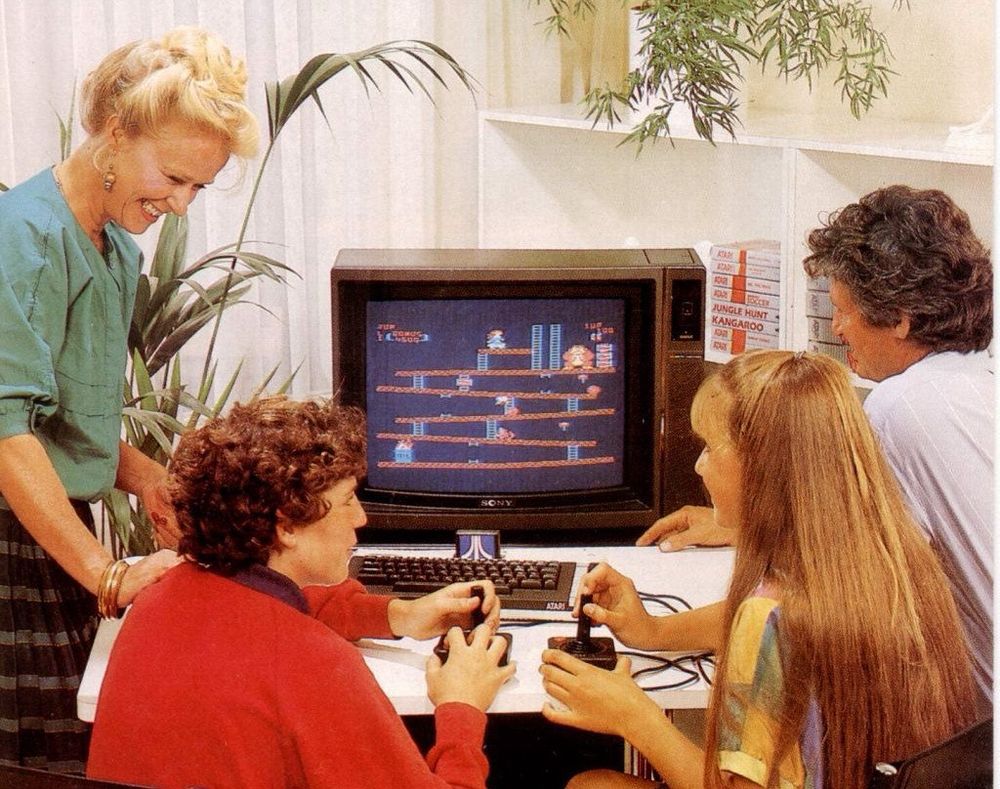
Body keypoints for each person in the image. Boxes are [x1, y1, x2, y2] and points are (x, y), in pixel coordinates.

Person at [0, 27, 259, 772]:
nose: (180, 204)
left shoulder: (116, 251)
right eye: (173, 177)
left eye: (198, 187)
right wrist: (106, 573)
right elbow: (6, 432)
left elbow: (61, 420)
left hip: (52, 531)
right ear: (115, 134)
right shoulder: (22, 236)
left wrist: (147, 477)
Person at [542, 350, 977, 789]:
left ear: (763, 466)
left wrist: (635, 717)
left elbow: (767, 628)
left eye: (710, 447)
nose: (699, 465)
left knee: (590, 786)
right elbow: (780, 624)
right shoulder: (898, 563)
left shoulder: (767, 617)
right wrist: (653, 632)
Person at [637, 185, 993, 711]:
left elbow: (809, 595)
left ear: (900, 319)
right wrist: (738, 522)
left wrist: (654, 632)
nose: (837, 328)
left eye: (844, 311)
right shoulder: (977, 382)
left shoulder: (898, 408)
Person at [87, 396, 516, 788]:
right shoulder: (317, 662)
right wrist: (461, 706)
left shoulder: (157, 598)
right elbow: (285, 646)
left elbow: (266, 612)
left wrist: (400, 615)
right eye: (348, 500)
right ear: (287, 526)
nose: (361, 518)